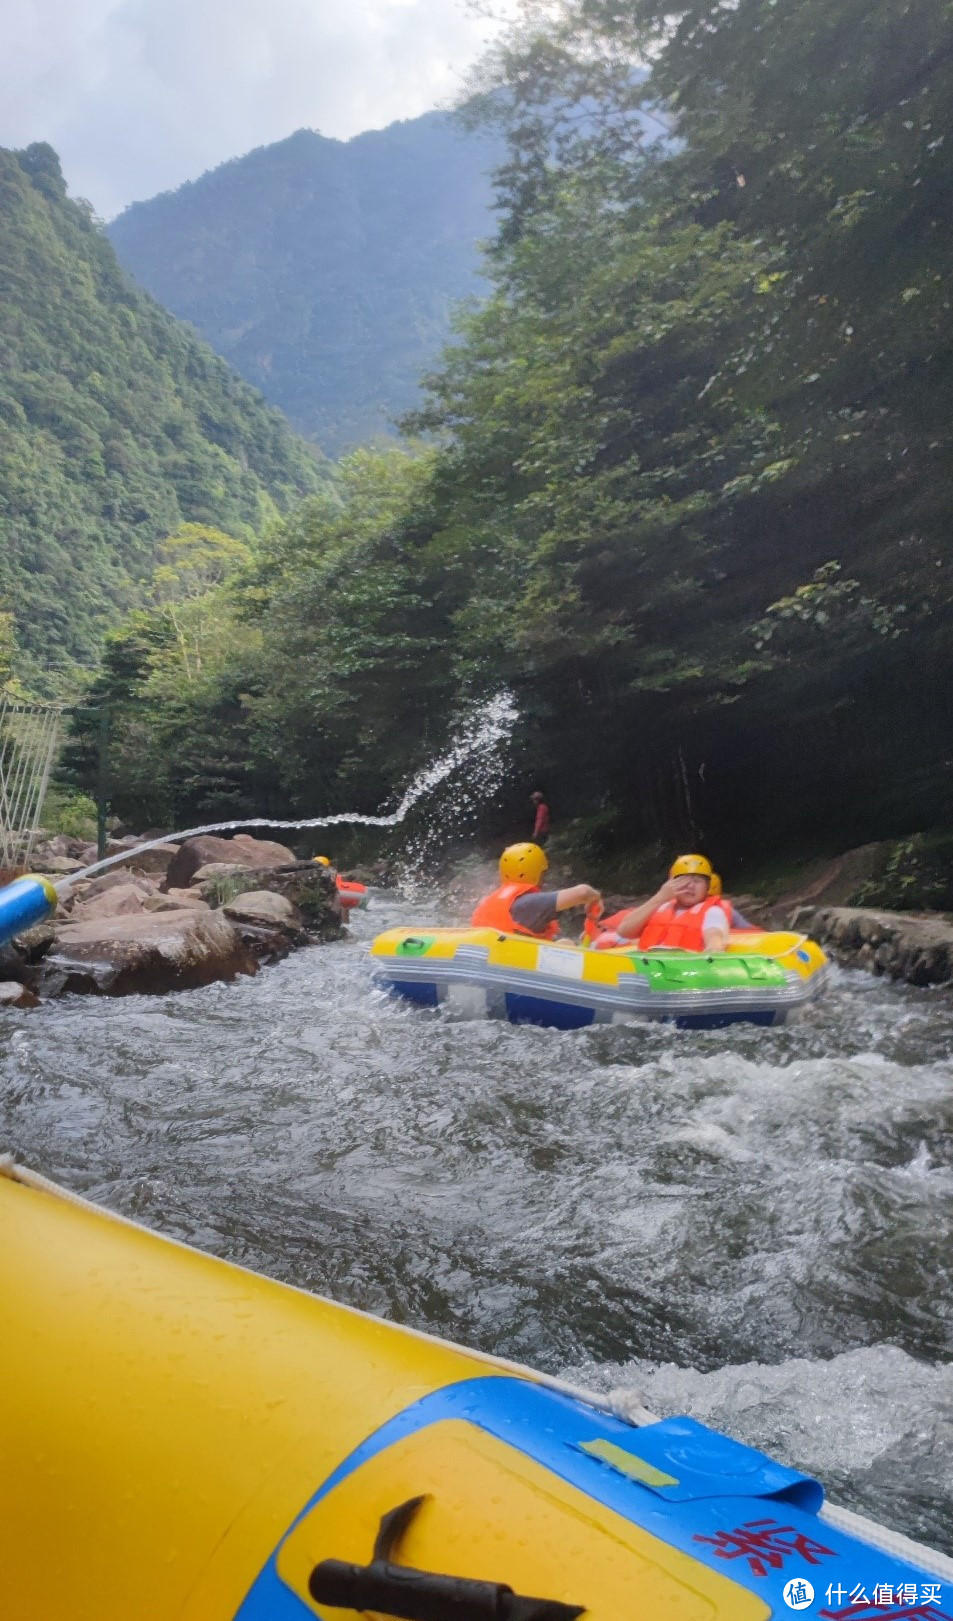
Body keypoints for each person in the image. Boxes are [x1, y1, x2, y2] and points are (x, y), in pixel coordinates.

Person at [471, 842, 601, 940]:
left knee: (565, 943)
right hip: (514, 964)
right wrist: (596, 897)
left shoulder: (490, 900)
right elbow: (583, 892)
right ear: (537, 873)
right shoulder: (532, 903)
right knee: (567, 944)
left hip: (496, 957)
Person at [601, 854, 730, 952]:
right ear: (671, 883)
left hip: (682, 973)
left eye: (697, 881)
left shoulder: (713, 912)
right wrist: (660, 897)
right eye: (684, 880)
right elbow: (624, 931)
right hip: (646, 969)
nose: (690, 886)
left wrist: (713, 949)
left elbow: (714, 937)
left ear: (707, 887)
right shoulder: (659, 906)